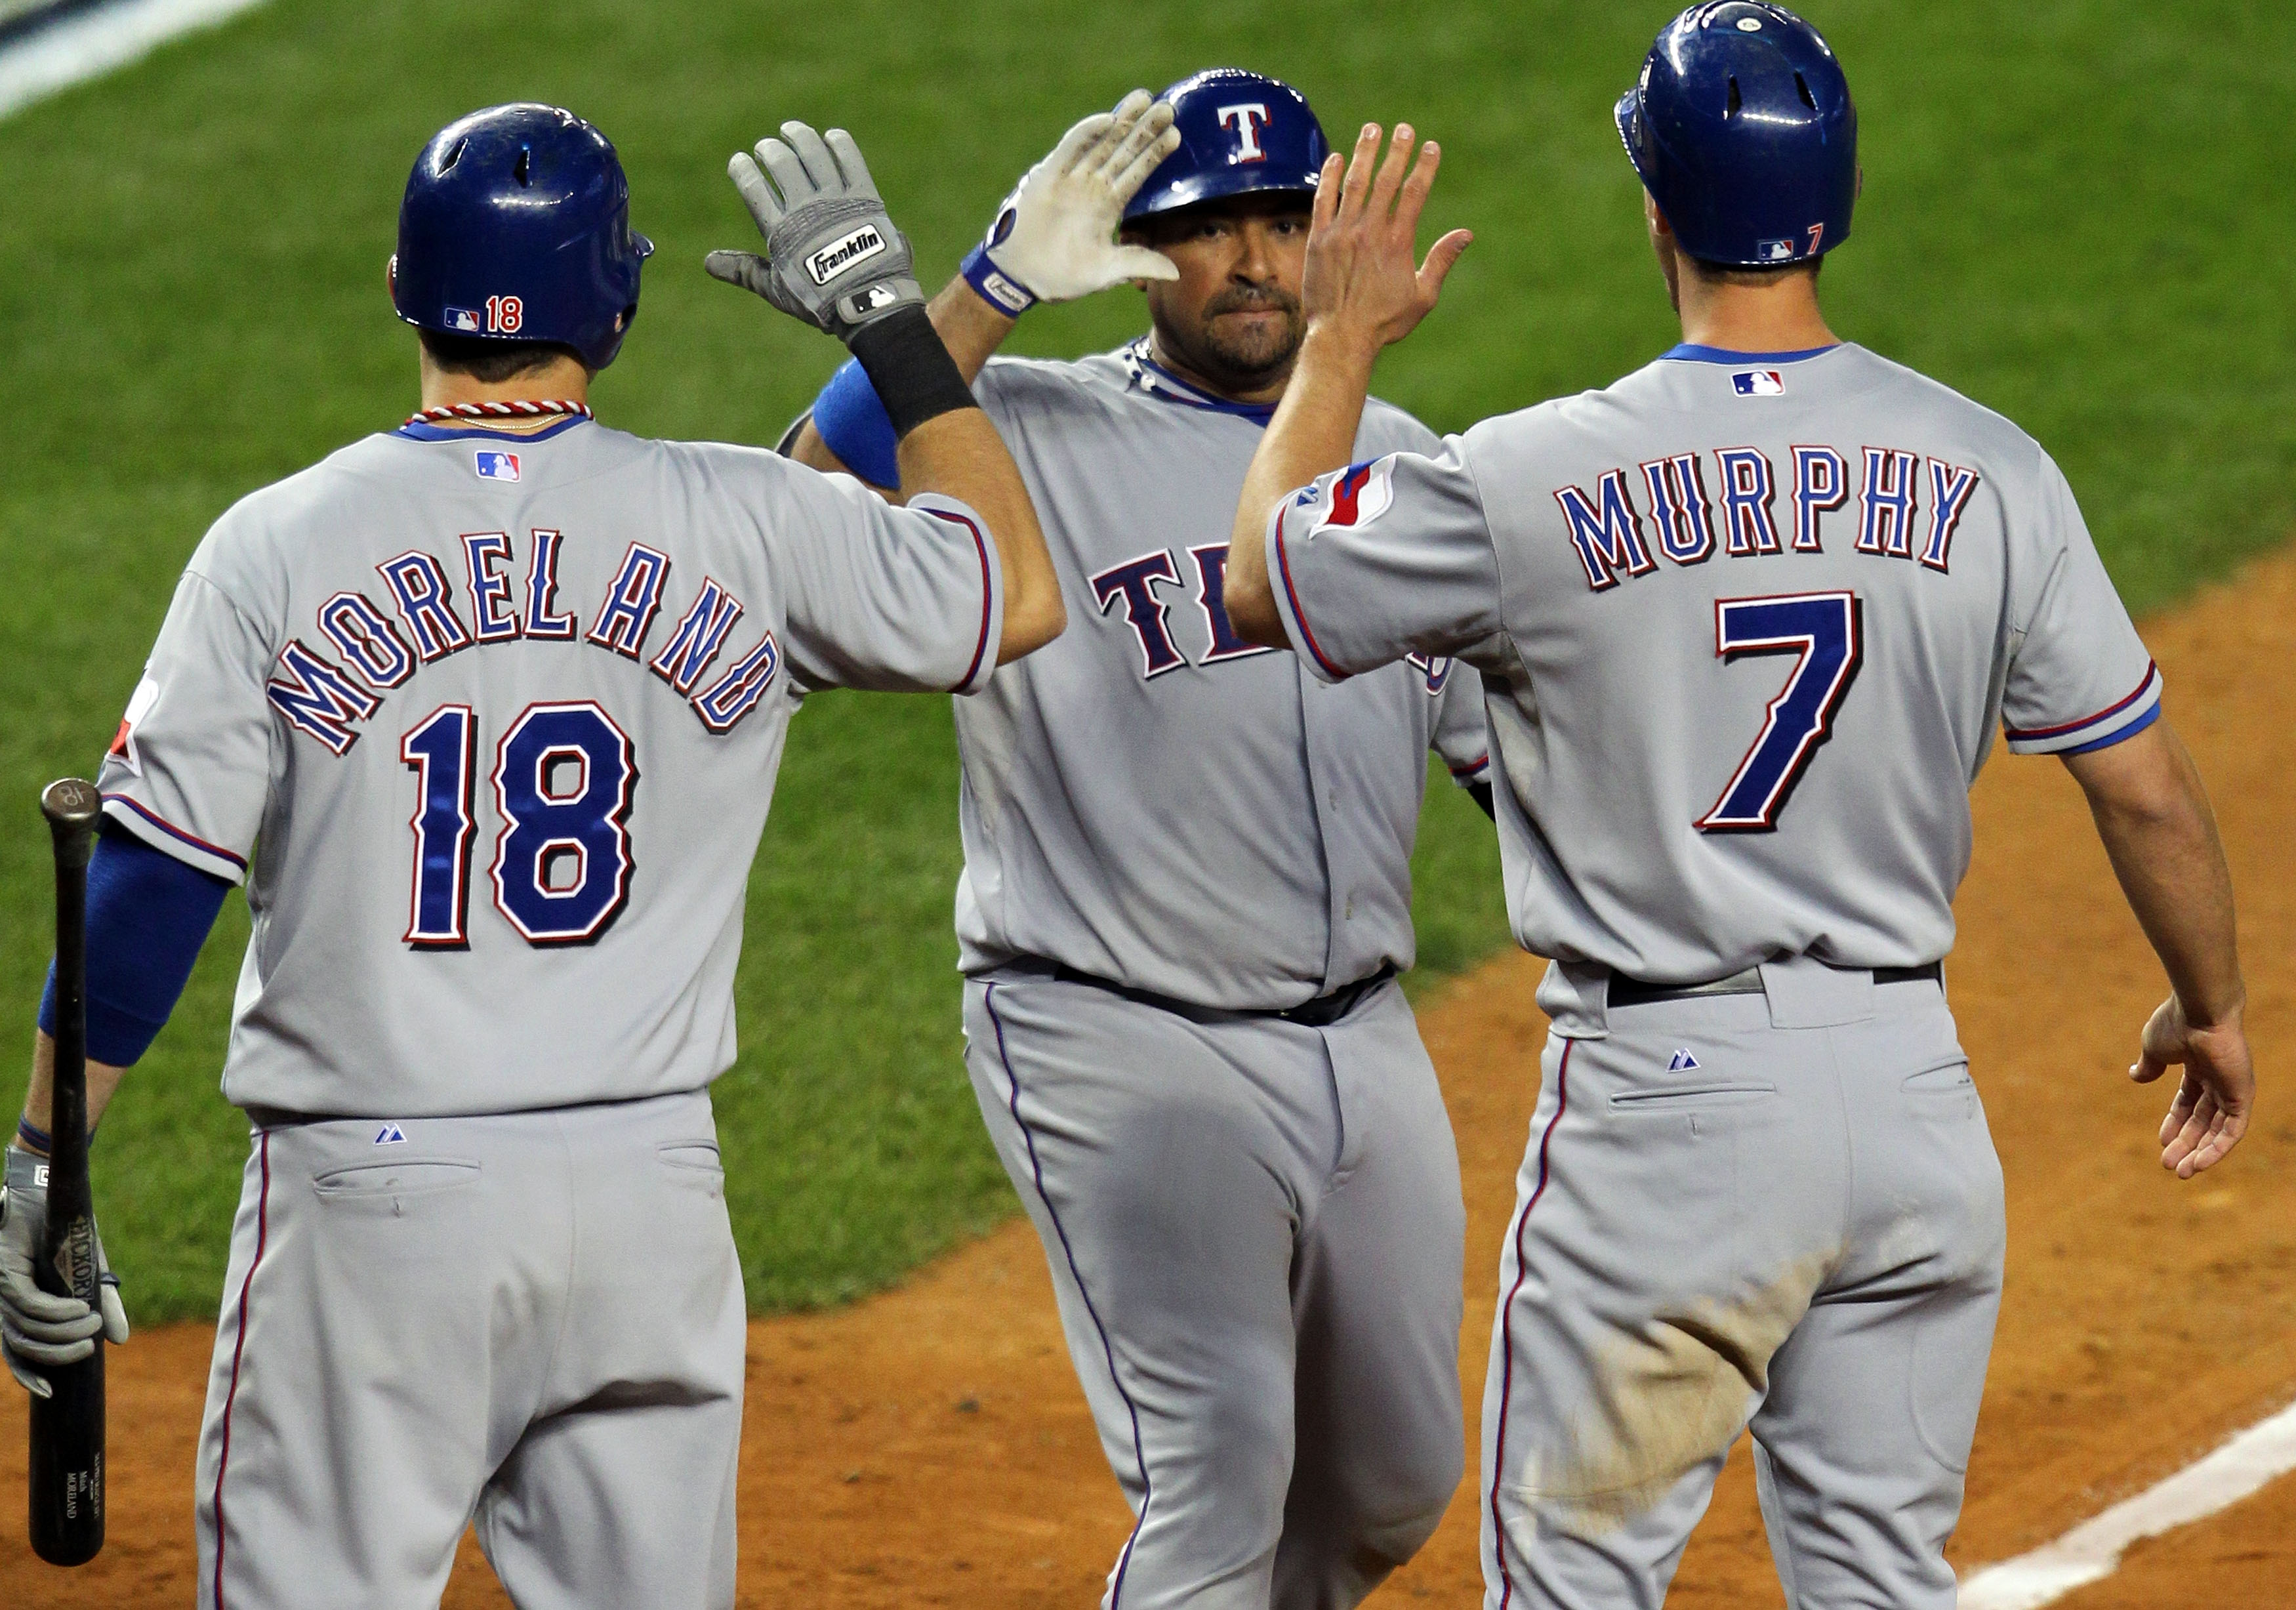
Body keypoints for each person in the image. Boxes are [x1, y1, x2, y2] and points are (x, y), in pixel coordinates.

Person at [1218, 6, 2255, 1607]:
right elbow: (2143, 788)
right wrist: (2216, 1006)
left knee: (1570, 1583)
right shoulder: (1987, 467)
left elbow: (1258, 579)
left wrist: (1339, 340)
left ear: (1657, 207)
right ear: (1828, 209)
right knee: (1879, 1581)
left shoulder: (1532, 477)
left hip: (1667, 1117)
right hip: (1913, 1102)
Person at [0, 101, 1064, 1608]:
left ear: (398, 286)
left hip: (373, 1210)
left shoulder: (278, 545)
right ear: (616, 307)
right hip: (647, 1200)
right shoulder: (746, 521)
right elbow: (1010, 592)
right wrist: (895, 322)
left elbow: (148, 888)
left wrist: (46, 1162)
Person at [787, 72, 1491, 1607]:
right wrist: (987, 287)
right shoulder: (1028, 428)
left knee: (1390, 1489)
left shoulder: (1413, 461)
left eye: (1278, 222)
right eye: (1199, 229)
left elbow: (1503, 749)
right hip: (1116, 1031)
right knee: (1218, 1470)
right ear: (1132, 250)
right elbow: (805, 494)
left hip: (1364, 1040)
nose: (1248, 260)